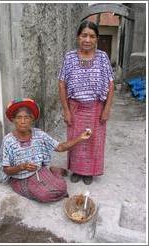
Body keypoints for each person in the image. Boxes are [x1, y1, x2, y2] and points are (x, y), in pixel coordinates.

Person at [0, 98, 92, 203]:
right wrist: (21, 167)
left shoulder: (39, 134)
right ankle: (53, 174)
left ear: (32, 119)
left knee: (61, 189)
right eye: (19, 118)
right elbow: (6, 169)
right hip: (19, 178)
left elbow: (60, 147)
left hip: (38, 171)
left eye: (27, 117)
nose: (23, 122)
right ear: (13, 120)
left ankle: (55, 171)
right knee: (45, 195)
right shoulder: (8, 141)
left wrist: (80, 138)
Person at [58, 20, 114, 185]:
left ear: (96, 39)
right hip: (75, 107)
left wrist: (107, 110)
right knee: (75, 139)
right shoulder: (69, 57)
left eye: (92, 36)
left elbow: (111, 84)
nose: (87, 40)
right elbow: (62, 84)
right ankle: (76, 169)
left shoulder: (102, 57)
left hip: (96, 108)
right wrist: (66, 110)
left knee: (93, 141)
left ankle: (89, 172)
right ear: (78, 37)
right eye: (84, 35)